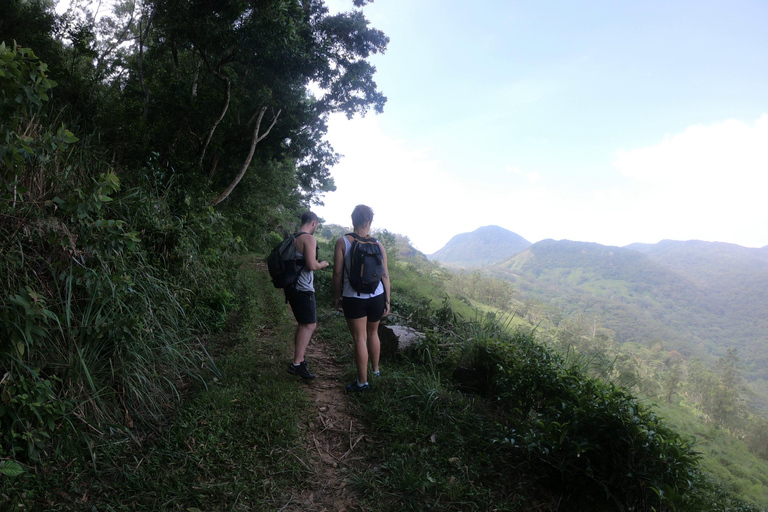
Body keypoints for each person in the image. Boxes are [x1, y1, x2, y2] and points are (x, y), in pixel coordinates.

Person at [333, 205, 391, 392]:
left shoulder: (343, 242)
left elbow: (337, 273)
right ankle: (375, 371)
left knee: (360, 338)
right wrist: (387, 300)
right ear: (368, 222)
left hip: (354, 297)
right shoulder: (378, 245)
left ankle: (362, 382)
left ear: (353, 220)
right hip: (377, 296)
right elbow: (385, 276)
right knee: (373, 333)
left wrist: (337, 296)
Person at [286, 211, 330, 379]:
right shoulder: (309, 238)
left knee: (302, 324)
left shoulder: (293, 237)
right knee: (310, 325)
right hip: (303, 288)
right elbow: (311, 265)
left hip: (291, 286)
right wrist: (323, 264)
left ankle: (299, 359)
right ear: (314, 223)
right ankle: (297, 364)